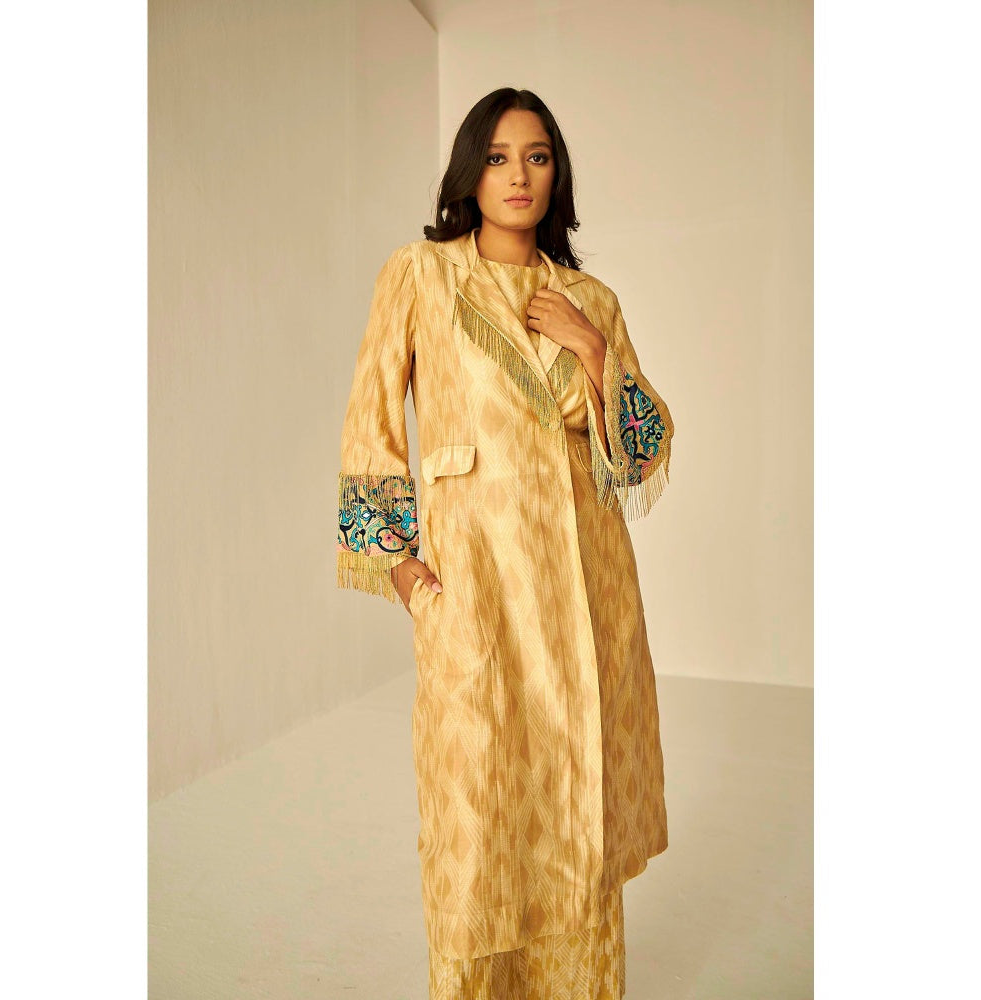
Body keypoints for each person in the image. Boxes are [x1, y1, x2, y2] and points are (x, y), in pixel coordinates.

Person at [335, 87, 675, 1000]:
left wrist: (594, 351)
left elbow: (642, 453)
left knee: (574, 798)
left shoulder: (590, 299)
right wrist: (405, 573)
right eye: (497, 157)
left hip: (584, 591)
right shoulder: (421, 276)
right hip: (477, 586)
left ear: (556, 173)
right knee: (478, 808)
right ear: (469, 173)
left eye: (536, 156)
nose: (518, 175)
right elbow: (372, 423)